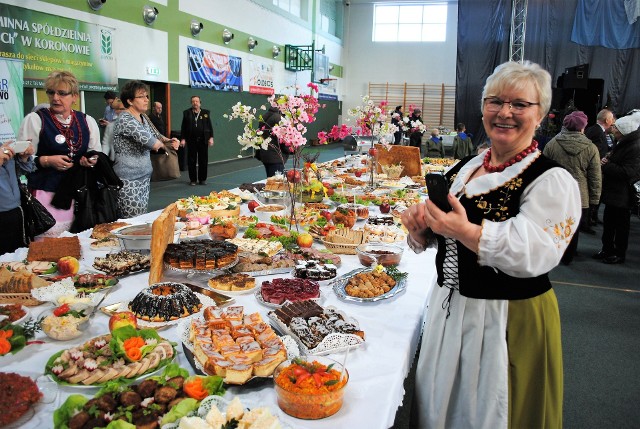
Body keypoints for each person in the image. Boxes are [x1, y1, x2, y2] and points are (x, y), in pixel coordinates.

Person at [402, 61, 581, 429]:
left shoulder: (551, 179)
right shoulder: (465, 168)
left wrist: (466, 231)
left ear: (542, 114)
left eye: (520, 104)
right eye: (495, 101)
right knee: (441, 405)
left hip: (506, 317)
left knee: (491, 411)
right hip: (450, 310)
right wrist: (422, 231)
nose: (505, 112)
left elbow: (535, 253)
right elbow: (443, 234)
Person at [18, 70, 101, 237]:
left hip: (79, 195)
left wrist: (90, 160)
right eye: (51, 92)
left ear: (75, 97)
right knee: (49, 247)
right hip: (46, 193)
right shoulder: (35, 120)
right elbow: (21, 161)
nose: (55, 98)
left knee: (79, 245)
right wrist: (46, 161)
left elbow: (97, 154)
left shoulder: (87, 121)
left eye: (62, 93)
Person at [113, 80, 179, 218]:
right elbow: (152, 143)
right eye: (141, 96)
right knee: (132, 221)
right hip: (128, 180)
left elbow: (158, 137)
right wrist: (162, 144)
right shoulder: (125, 119)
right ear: (130, 101)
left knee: (141, 217)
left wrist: (171, 141)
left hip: (143, 177)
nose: (146, 100)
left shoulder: (143, 117)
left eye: (146, 96)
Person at [543, 110, 601, 264]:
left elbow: (543, 171)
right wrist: (595, 199)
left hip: (555, 193)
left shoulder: (552, 144)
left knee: (554, 223)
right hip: (579, 195)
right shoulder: (591, 148)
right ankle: (569, 254)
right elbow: (595, 176)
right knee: (573, 227)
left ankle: (554, 252)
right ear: (583, 128)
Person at [592, 112, 640, 264]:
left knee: (620, 226)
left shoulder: (634, 147)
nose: (613, 130)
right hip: (615, 192)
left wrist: (607, 165)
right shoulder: (624, 143)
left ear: (624, 132)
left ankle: (618, 253)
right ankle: (607, 249)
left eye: (617, 129)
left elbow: (628, 172)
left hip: (623, 195)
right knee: (609, 223)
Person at [0, 141, 35, 255]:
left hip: (16, 212)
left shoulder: (3, 146)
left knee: (18, 259)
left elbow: (23, 171)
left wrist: (24, 157)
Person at [585, 108, 615, 225]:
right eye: (612, 119)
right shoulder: (597, 131)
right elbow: (593, 150)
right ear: (607, 120)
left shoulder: (595, 130)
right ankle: (589, 219)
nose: (613, 121)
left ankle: (592, 217)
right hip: (594, 168)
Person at [180, 95, 214, 185]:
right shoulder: (187, 113)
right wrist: (183, 139)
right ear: (191, 103)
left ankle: (202, 179)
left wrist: (211, 137)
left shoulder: (205, 113)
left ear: (200, 103)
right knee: (191, 161)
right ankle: (193, 180)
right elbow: (183, 127)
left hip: (203, 140)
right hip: (191, 140)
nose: (195, 103)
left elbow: (209, 126)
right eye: (193, 101)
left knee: (203, 160)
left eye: (197, 101)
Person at [255, 106, 290, 177]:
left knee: (271, 181)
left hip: (266, 154)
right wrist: (291, 150)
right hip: (275, 156)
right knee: (276, 183)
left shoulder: (264, 117)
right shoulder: (278, 118)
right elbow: (284, 139)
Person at [101, 98, 125, 162]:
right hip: (114, 161)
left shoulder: (134, 124)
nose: (121, 111)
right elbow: (106, 144)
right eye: (118, 109)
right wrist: (103, 159)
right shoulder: (110, 126)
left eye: (123, 109)